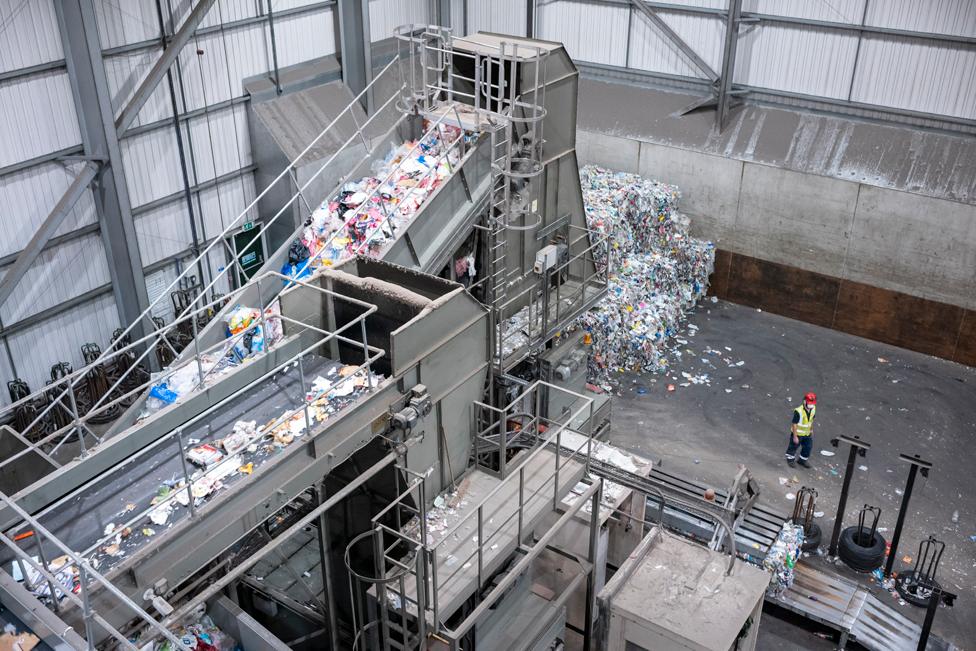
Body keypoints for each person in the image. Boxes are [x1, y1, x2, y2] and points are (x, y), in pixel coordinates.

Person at [786, 392, 817, 468]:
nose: (811, 405)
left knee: (808, 447)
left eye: (812, 403)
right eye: (810, 403)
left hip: (807, 433)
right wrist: (795, 436)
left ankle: (802, 460)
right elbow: (794, 424)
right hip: (798, 434)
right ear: (805, 401)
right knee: (793, 447)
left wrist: (811, 429)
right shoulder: (798, 411)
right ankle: (790, 460)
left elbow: (811, 420)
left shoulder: (813, 409)